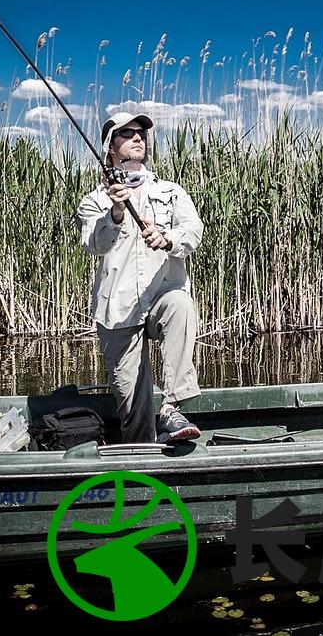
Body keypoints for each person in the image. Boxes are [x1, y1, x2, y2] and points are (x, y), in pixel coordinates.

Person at [76, 112, 206, 444]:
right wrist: (116, 212)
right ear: (110, 148)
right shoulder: (94, 202)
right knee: (132, 406)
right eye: (127, 133)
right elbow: (96, 243)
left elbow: (193, 231)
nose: (138, 138)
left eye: (141, 133)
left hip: (161, 295)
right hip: (118, 311)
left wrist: (168, 239)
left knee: (180, 304)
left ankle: (173, 407)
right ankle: (143, 459)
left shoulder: (171, 191)